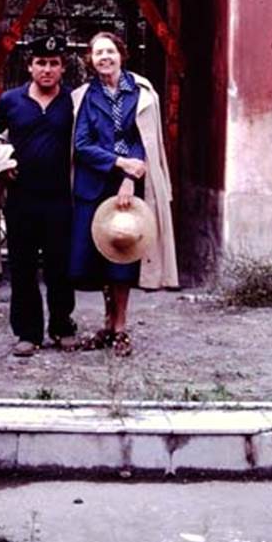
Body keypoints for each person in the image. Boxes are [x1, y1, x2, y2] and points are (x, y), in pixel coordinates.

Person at [70, 31, 178, 356]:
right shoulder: (84, 97)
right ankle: (107, 322)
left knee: (124, 250)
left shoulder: (142, 93)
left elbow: (144, 139)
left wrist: (130, 176)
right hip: (94, 183)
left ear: (121, 54)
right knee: (100, 253)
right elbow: (82, 144)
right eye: (98, 53)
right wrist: (119, 162)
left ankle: (120, 327)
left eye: (110, 51)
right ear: (91, 60)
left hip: (132, 183)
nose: (105, 57)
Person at [0, 33, 77, 357]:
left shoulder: (73, 102)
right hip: (21, 197)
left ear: (63, 67)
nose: (47, 69)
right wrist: (0, 160)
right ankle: (28, 333)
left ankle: (62, 327)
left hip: (60, 197)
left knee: (59, 265)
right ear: (30, 66)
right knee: (22, 267)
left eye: (53, 63)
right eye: (41, 63)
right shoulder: (11, 100)